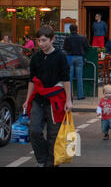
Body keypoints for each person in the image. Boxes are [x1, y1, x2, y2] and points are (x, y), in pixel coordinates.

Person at [22, 25, 72, 167]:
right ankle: (42, 159)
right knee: (34, 131)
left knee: (53, 136)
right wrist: (27, 100)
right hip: (38, 98)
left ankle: (51, 163)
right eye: (39, 40)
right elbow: (32, 80)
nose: (41, 44)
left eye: (44, 40)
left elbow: (66, 79)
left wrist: (68, 100)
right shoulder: (36, 57)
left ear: (52, 39)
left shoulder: (60, 56)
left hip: (56, 99)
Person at [63, 24, 90, 100]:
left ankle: (69, 95)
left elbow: (65, 48)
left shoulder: (67, 38)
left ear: (70, 30)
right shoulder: (82, 38)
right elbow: (87, 47)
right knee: (79, 77)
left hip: (70, 57)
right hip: (79, 57)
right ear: (77, 29)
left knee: (69, 77)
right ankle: (80, 95)